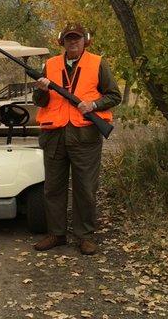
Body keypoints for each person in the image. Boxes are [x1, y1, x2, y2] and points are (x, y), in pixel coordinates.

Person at [33, 23, 121, 255]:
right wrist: (41, 89)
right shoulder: (49, 65)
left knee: (85, 188)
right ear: (62, 41)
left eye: (78, 38)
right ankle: (56, 234)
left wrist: (93, 104)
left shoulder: (98, 63)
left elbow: (114, 95)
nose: (73, 42)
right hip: (54, 136)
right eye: (69, 38)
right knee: (53, 188)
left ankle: (85, 236)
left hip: (85, 136)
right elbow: (40, 102)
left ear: (85, 40)